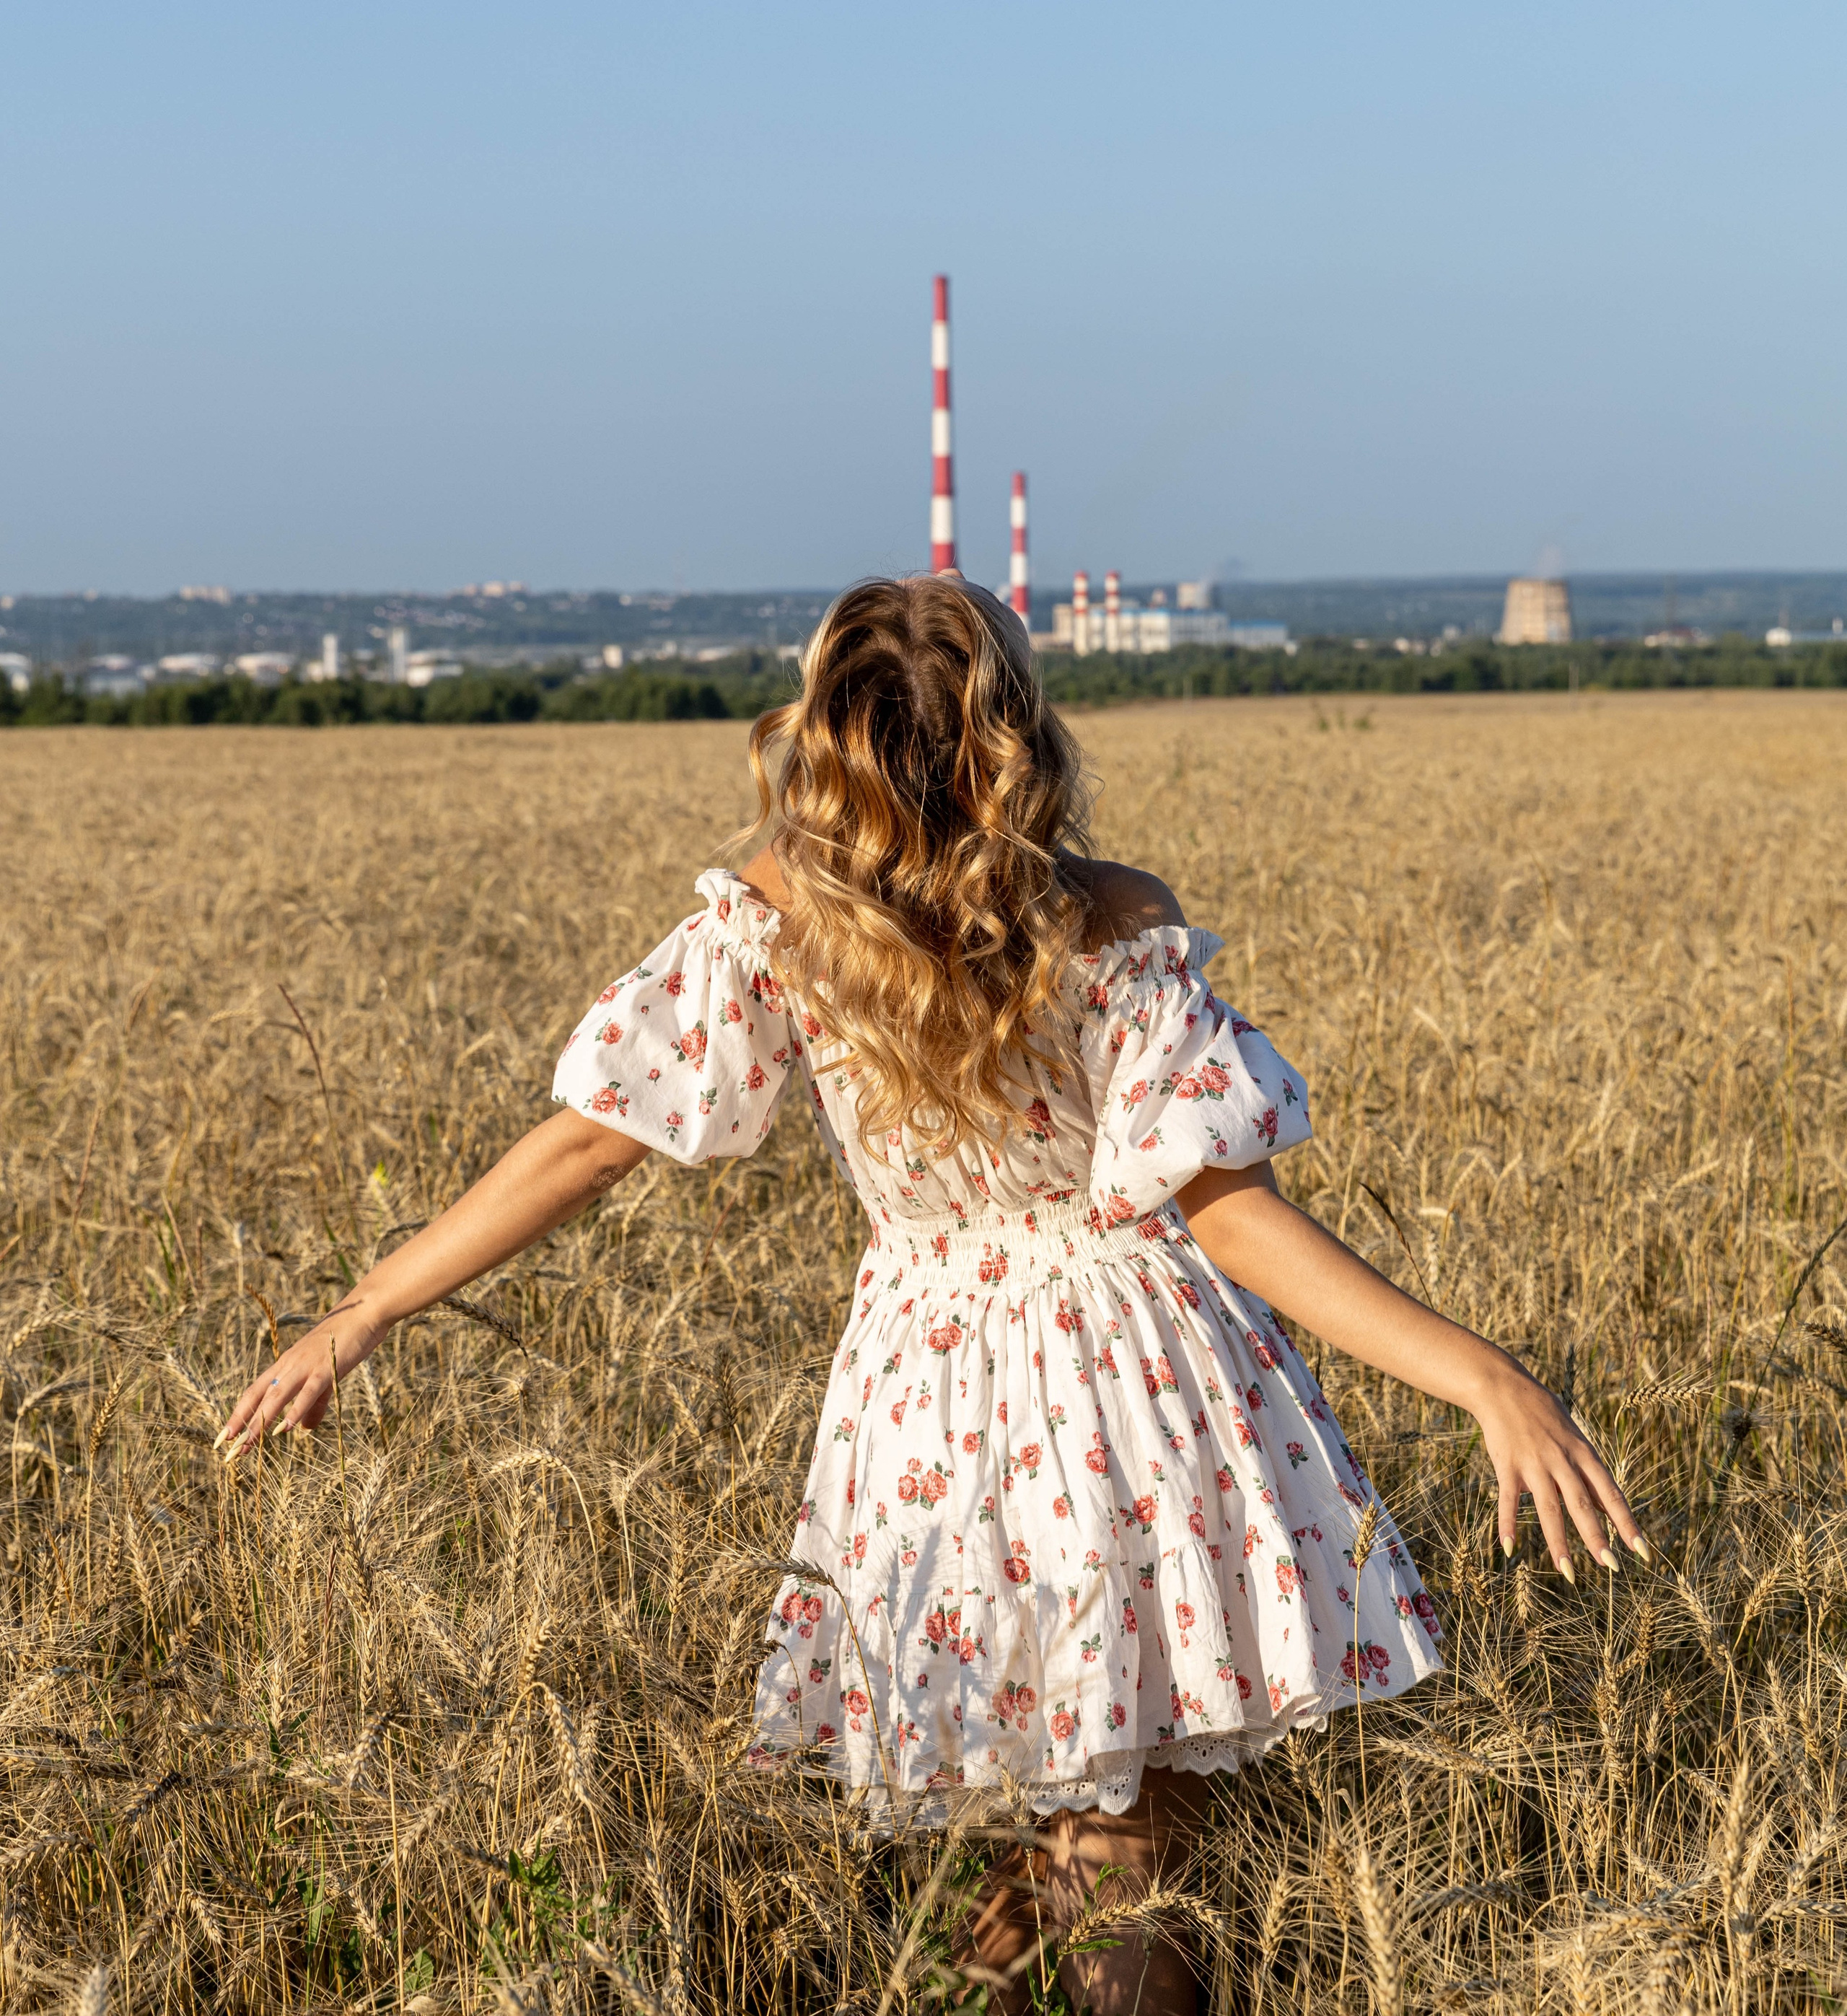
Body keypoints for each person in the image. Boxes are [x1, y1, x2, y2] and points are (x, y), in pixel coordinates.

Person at [218, 574, 1646, 2012]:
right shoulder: (1107, 919)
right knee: (1123, 1837)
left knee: (1076, 1825)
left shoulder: (782, 922)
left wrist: (365, 1307)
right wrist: (1483, 1375)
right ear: (1020, 730)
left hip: (927, 1405)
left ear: (829, 742)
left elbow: (590, 1141)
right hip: (1134, 1395)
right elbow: (1229, 1213)